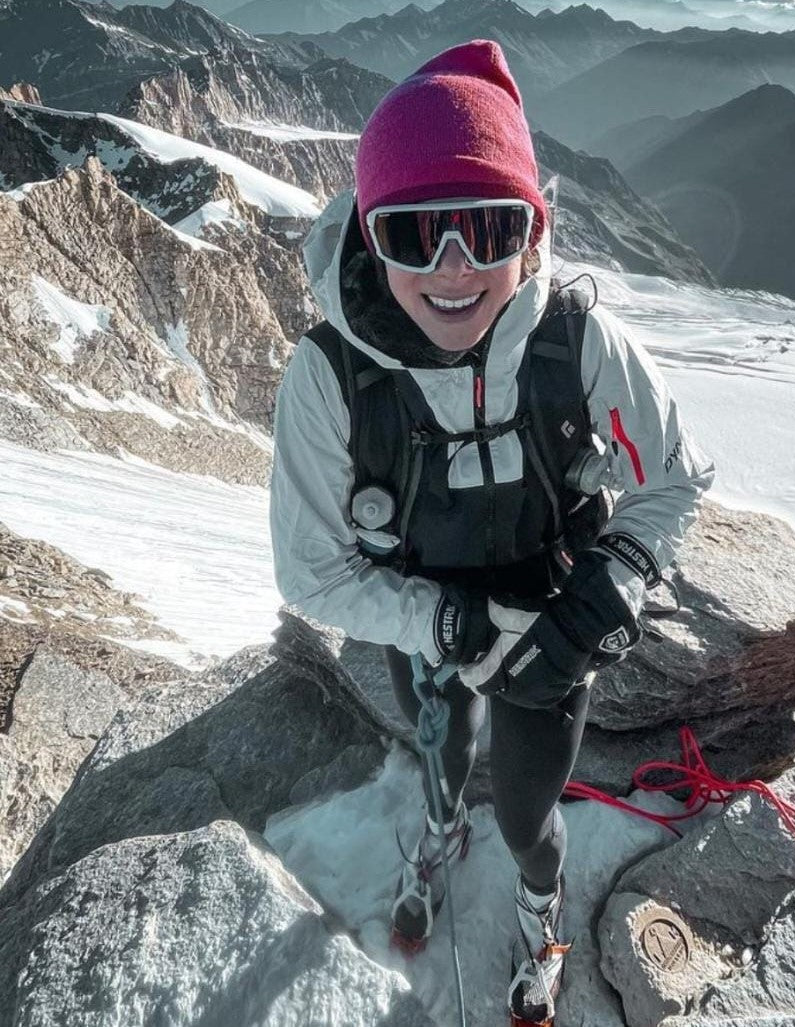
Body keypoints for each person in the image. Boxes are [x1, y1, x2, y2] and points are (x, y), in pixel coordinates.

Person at [269, 38, 715, 1026]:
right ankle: (438, 835)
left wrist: (617, 581)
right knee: (439, 758)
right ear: (371, 238)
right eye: (416, 232)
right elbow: (309, 572)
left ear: (532, 231)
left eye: (487, 224)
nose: (456, 266)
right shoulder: (332, 378)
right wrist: (447, 625)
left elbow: (676, 476)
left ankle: (537, 903)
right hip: (428, 617)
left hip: (554, 628)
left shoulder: (580, 340)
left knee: (525, 808)